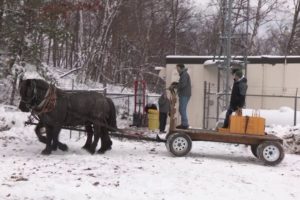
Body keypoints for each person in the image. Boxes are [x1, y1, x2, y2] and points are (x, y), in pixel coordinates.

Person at [173, 63, 191, 129]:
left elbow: (183, 84)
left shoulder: (184, 74)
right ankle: (183, 123)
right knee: (181, 109)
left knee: (182, 109)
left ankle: (185, 124)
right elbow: (182, 83)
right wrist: (176, 84)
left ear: (180, 68)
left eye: (177, 68)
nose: (177, 70)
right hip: (184, 94)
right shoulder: (183, 74)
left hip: (185, 94)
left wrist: (176, 86)